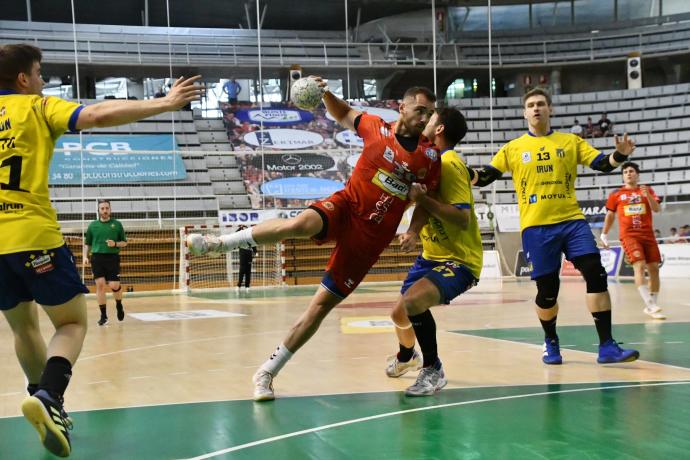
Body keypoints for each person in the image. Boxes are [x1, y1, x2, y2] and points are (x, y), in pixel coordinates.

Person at [0, 44, 201, 457]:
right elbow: (96, 114)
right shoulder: (36, 107)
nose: (41, 80)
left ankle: (43, 400)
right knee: (72, 323)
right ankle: (49, 398)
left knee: (23, 328)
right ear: (23, 79)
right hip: (31, 234)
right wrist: (164, 102)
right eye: (38, 72)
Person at [187, 77, 440, 401]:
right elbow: (345, 113)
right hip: (346, 206)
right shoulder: (376, 128)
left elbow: (425, 201)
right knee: (300, 223)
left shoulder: (429, 159)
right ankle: (219, 243)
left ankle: (266, 372)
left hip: (370, 240)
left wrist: (414, 230)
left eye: (429, 113)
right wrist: (324, 93)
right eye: (420, 110)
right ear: (401, 107)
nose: (424, 117)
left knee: (319, 307)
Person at [468, 87, 639, 366]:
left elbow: (601, 164)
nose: (536, 108)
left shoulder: (570, 141)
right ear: (525, 113)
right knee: (547, 292)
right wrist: (460, 171)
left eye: (541, 104)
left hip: (572, 221)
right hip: (536, 228)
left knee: (595, 273)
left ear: (550, 109)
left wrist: (619, 156)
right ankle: (551, 341)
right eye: (531, 105)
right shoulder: (513, 148)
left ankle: (607, 346)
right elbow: (485, 177)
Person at [386, 107, 483, 396]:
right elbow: (424, 204)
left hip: (459, 260)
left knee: (414, 302)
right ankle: (407, 356)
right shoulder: (429, 161)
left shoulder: (449, 163)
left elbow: (460, 216)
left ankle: (433, 368)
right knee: (398, 314)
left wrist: (422, 200)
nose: (424, 122)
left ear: (438, 129)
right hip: (431, 256)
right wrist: (414, 232)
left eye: (429, 119)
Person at [601, 162, 665, 320]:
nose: (628, 173)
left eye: (631, 171)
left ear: (637, 174)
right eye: (625, 172)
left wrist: (648, 195)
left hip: (648, 235)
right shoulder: (616, 194)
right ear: (623, 175)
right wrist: (604, 234)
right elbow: (610, 215)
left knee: (654, 269)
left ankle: (652, 306)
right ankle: (649, 304)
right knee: (639, 265)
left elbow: (657, 209)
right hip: (629, 235)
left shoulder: (647, 190)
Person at [84, 200, 127, 326]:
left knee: (114, 285)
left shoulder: (117, 224)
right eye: (102, 208)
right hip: (97, 258)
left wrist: (115, 244)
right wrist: (85, 257)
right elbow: (88, 244)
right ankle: (103, 316)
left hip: (112, 258)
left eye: (107, 208)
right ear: (98, 210)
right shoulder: (92, 225)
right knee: (100, 285)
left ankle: (119, 305)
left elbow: (124, 242)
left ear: (110, 209)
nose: (104, 210)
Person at [236, 225, 257, 291]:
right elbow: (235, 233)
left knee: (248, 272)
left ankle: (247, 286)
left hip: (249, 257)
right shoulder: (240, 239)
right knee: (242, 271)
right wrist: (240, 228)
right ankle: (239, 286)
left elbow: (254, 246)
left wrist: (256, 252)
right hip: (242, 256)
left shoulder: (250, 239)